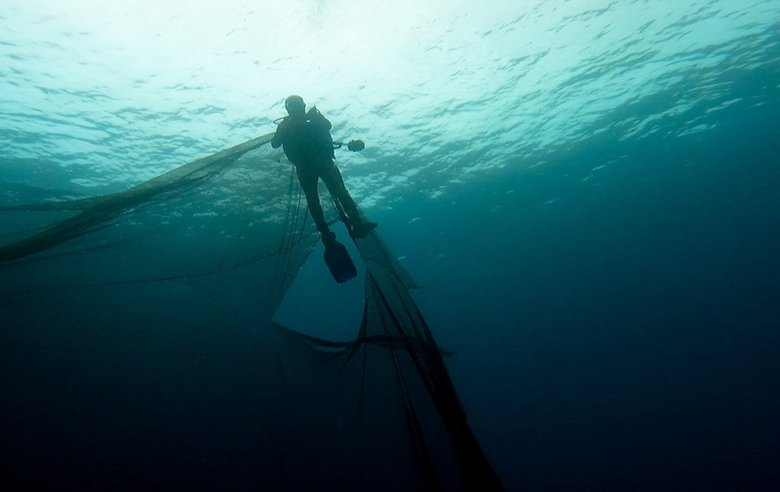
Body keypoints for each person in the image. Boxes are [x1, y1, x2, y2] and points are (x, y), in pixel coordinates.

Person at [271, 95, 376, 244]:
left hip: (318, 164)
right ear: (289, 109)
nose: (295, 107)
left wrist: (312, 119)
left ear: (303, 105)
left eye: (296, 104)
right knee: (325, 197)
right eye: (292, 105)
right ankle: (330, 232)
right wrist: (284, 128)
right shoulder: (287, 124)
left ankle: (348, 227)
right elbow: (275, 143)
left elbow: (327, 126)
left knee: (330, 196)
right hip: (312, 166)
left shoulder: (311, 117)